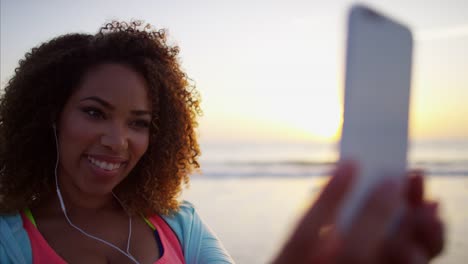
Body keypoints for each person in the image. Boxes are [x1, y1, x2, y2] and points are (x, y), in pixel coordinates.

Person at [0, 21, 443, 264]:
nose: (118, 141)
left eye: (139, 123)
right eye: (94, 112)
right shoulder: (9, 241)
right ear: (50, 117)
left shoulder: (178, 225)